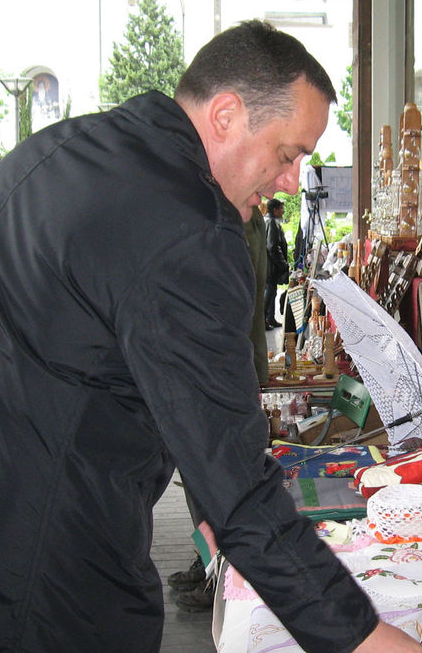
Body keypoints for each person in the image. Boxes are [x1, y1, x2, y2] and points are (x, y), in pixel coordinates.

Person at [0, 20, 421, 652]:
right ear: (226, 114)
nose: (289, 181)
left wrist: (209, 504)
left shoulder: (55, 150)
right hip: (35, 582)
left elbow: (151, 386)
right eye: (288, 154)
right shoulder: (188, 228)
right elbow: (240, 491)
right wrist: (367, 640)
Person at [169, 201, 271, 612]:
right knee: (197, 487)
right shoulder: (237, 217)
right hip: (215, 368)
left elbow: (229, 304)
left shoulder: (238, 220)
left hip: (219, 372)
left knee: (210, 485)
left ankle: (220, 575)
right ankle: (207, 559)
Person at [264, 196, 289, 328]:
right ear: (275, 210)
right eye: (281, 209)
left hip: (267, 264)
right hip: (271, 265)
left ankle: (269, 318)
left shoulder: (266, 221)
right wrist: (283, 264)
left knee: (271, 291)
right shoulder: (272, 223)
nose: (282, 211)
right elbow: (272, 246)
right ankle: (264, 319)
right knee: (269, 291)